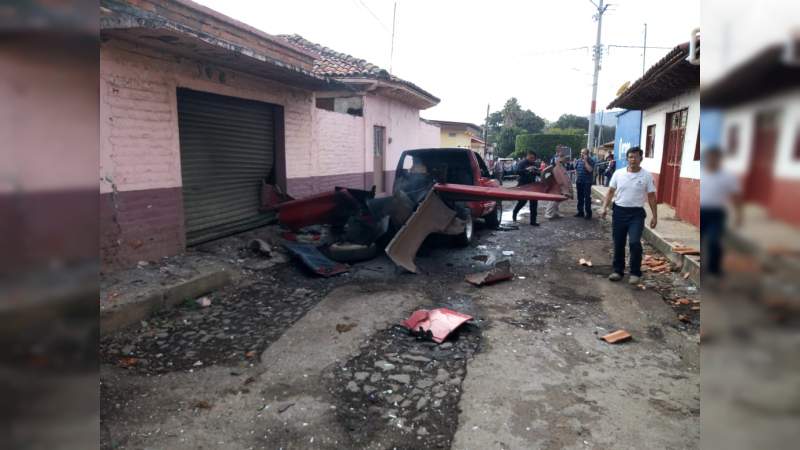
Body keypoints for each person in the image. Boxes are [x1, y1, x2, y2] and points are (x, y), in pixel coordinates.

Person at [600, 147, 657, 284]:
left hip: (636, 214)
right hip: (619, 212)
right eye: (630, 157)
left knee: (634, 242)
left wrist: (655, 216)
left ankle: (635, 272)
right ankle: (617, 271)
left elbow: (651, 197)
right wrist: (604, 208)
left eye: (636, 157)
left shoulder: (646, 176)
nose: (633, 160)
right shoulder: (618, 174)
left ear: (641, 159)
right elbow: (610, 192)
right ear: (627, 158)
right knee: (618, 242)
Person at [700, 146, 742, 277]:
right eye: (710, 157)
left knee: (714, 240)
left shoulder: (728, 176)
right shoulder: (701, 173)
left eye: (715, 157)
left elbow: (736, 196)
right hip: (702, 212)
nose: (712, 160)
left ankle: (714, 269)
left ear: (720, 159)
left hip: (717, 214)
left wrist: (739, 215)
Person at [512, 150, 540, 226]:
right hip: (523, 185)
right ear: (527, 156)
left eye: (534, 158)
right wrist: (527, 169)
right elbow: (516, 171)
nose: (532, 159)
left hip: (533, 186)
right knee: (522, 202)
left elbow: (538, 173)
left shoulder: (535, 163)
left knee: (534, 203)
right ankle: (515, 212)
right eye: (531, 157)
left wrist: (538, 171)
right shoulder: (522, 163)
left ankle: (533, 221)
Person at [574, 148, 595, 219]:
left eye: (583, 153)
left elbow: (590, 170)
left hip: (587, 182)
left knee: (587, 198)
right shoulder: (578, 160)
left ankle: (588, 213)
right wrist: (577, 178)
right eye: (581, 153)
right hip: (579, 182)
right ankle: (580, 212)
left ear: (587, 154)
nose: (581, 154)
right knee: (580, 197)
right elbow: (576, 169)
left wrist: (585, 161)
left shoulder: (590, 160)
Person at [544, 147, 565, 219]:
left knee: (558, 198)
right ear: (558, 151)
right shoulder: (555, 159)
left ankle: (555, 212)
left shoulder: (559, 159)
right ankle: (548, 213)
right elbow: (553, 170)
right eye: (561, 149)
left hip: (558, 181)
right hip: (555, 180)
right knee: (554, 198)